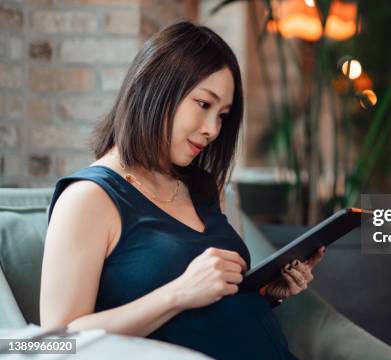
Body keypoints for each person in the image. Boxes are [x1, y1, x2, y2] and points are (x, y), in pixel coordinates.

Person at [39, 21, 325, 359]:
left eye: (223, 115)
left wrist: (266, 293)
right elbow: (56, 340)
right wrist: (178, 293)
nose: (212, 130)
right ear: (155, 88)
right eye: (204, 104)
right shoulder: (89, 198)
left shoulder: (206, 188)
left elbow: (213, 313)